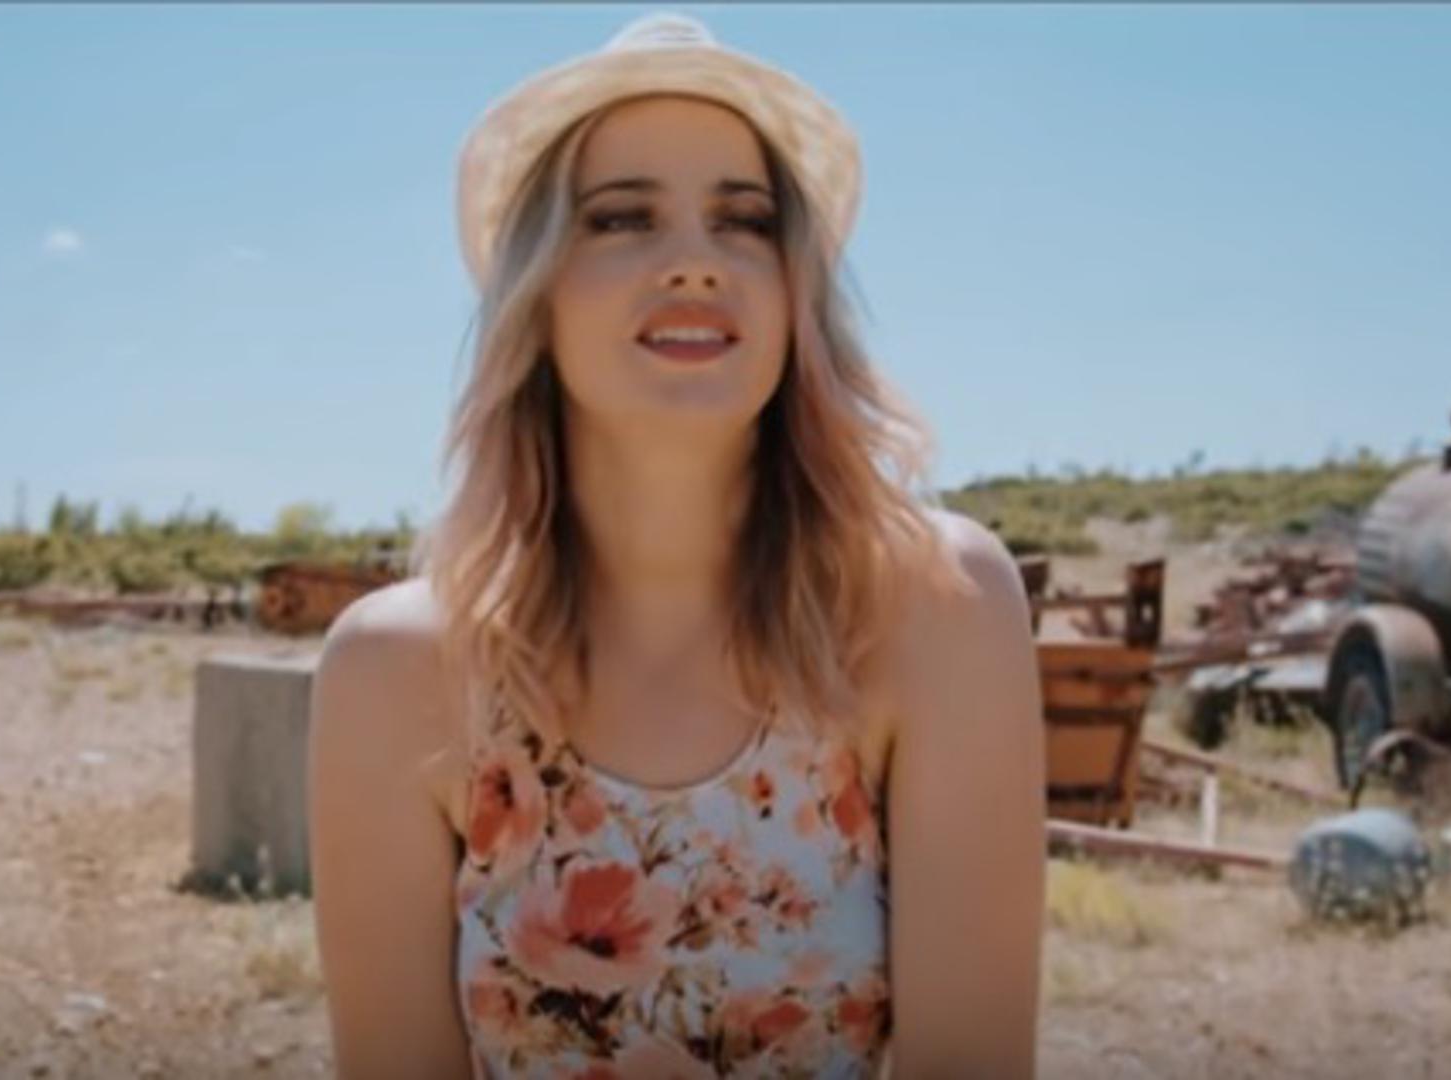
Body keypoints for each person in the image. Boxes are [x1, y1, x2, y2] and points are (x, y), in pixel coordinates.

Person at [309, 12, 1044, 1078]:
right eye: (621, 218)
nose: (696, 261)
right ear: (537, 296)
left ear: (794, 296)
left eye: (744, 221)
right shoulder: (396, 671)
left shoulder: (935, 607)